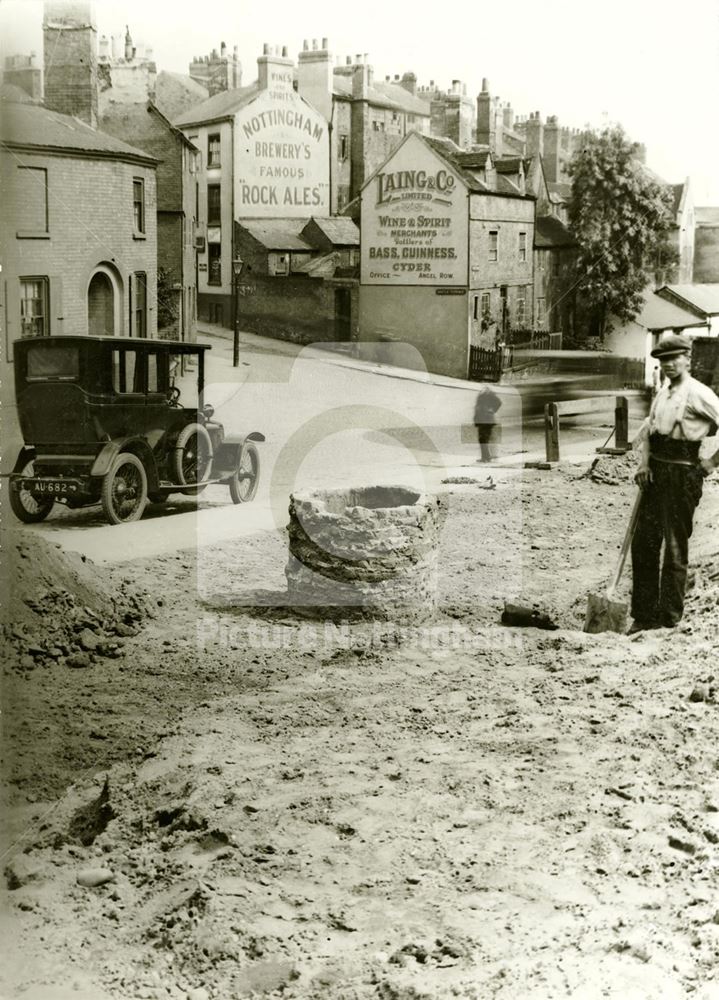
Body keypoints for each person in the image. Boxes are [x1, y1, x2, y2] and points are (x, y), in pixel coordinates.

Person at [629, 334, 719, 633]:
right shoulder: (663, 393)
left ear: (687, 359)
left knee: (675, 549)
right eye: (662, 360)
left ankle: (668, 619)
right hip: (655, 473)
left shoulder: (699, 394)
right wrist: (643, 464)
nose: (668, 364)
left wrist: (710, 463)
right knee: (644, 544)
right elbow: (650, 433)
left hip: (683, 474)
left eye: (673, 358)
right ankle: (643, 616)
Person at [474, 385, 502, 462]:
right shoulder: (483, 394)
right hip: (482, 419)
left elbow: (499, 402)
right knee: (482, 439)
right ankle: (486, 457)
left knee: (483, 439)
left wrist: (492, 410)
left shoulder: (489, 394)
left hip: (487, 420)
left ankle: (486, 457)